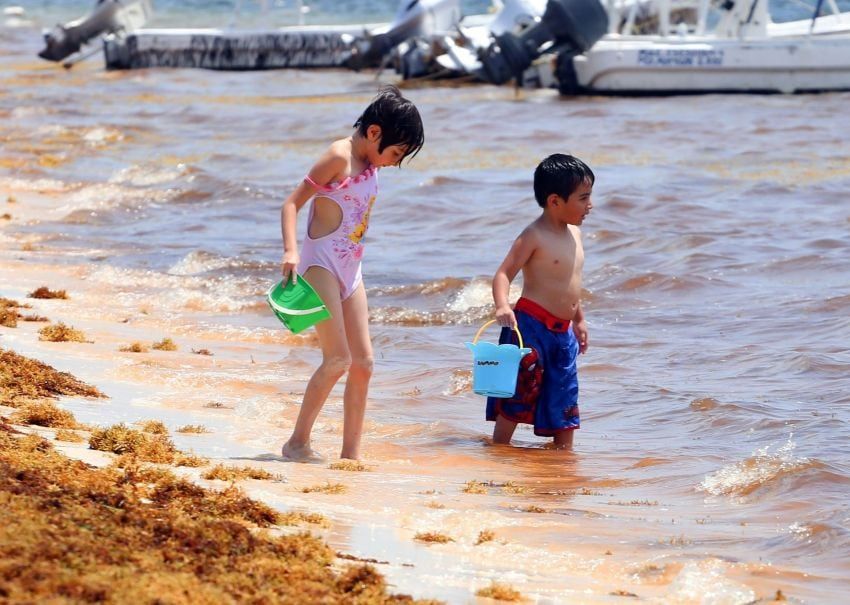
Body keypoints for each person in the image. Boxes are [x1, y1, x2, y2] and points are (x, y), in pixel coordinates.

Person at [279, 86, 424, 461]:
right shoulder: (338, 156)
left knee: (364, 364)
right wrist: (291, 250)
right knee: (338, 359)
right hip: (320, 264)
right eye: (396, 152)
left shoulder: (371, 164)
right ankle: (297, 443)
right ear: (374, 132)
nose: (394, 162)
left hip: (350, 268)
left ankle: (350, 456)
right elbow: (292, 204)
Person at [486, 153, 594, 449]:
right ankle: (499, 449)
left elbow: (572, 283)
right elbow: (503, 274)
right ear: (555, 201)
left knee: (564, 396)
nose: (590, 206)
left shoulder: (576, 234)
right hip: (530, 327)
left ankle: (562, 457)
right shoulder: (533, 235)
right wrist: (502, 305)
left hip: (562, 333)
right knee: (519, 392)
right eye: (583, 198)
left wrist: (579, 320)